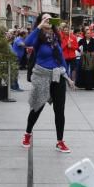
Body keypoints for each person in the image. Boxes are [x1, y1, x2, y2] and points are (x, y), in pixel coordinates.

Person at [22, 14, 71, 153]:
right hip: (42, 76)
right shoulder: (38, 37)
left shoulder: (56, 37)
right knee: (37, 107)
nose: (48, 21)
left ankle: (60, 141)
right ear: (40, 21)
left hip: (57, 76)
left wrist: (67, 76)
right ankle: (27, 133)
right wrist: (39, 26)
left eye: (50, 19)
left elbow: (61, 57)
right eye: (45, 18)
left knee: (60, 110)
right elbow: (27, 43)